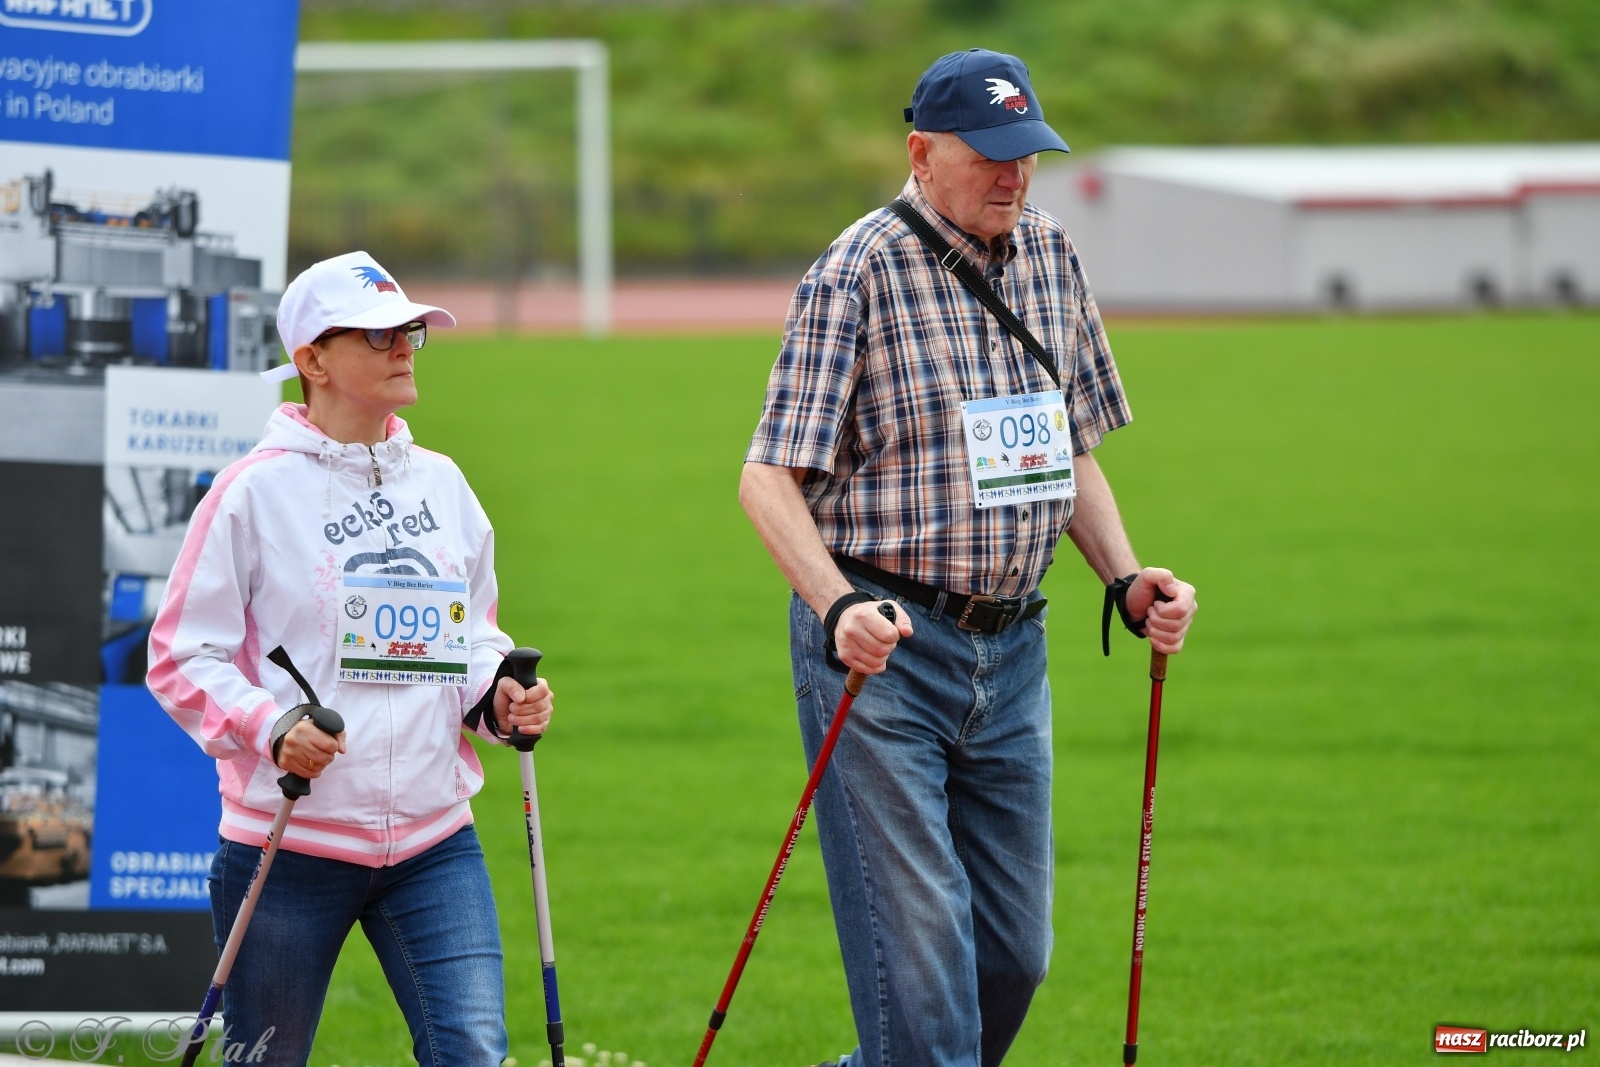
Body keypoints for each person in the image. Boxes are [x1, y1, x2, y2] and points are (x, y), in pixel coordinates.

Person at [739, 50, 1198, 1067]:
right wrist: (833, 607)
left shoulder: (1050, 254)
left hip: (1013, 651)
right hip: (885, 650)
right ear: (920, 152)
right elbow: (765, 479)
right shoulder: (855, 270)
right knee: (925, 976)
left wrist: (1125, 578)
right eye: (989, 155)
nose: (1013, 174)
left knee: (1013, 956)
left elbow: (1066, 445)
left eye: (1026, 153)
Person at [147, 252, 553, 1067]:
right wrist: (273, 725)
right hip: (288, 843)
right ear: (312, 359)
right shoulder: (249, 494)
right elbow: (180, 656)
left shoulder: (444, 485)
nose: (404, 344)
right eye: (377, 333)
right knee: (266, 1059)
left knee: (473, 1050)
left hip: (437, 841)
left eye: (410, 330)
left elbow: (471, 636)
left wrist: (499, 695)